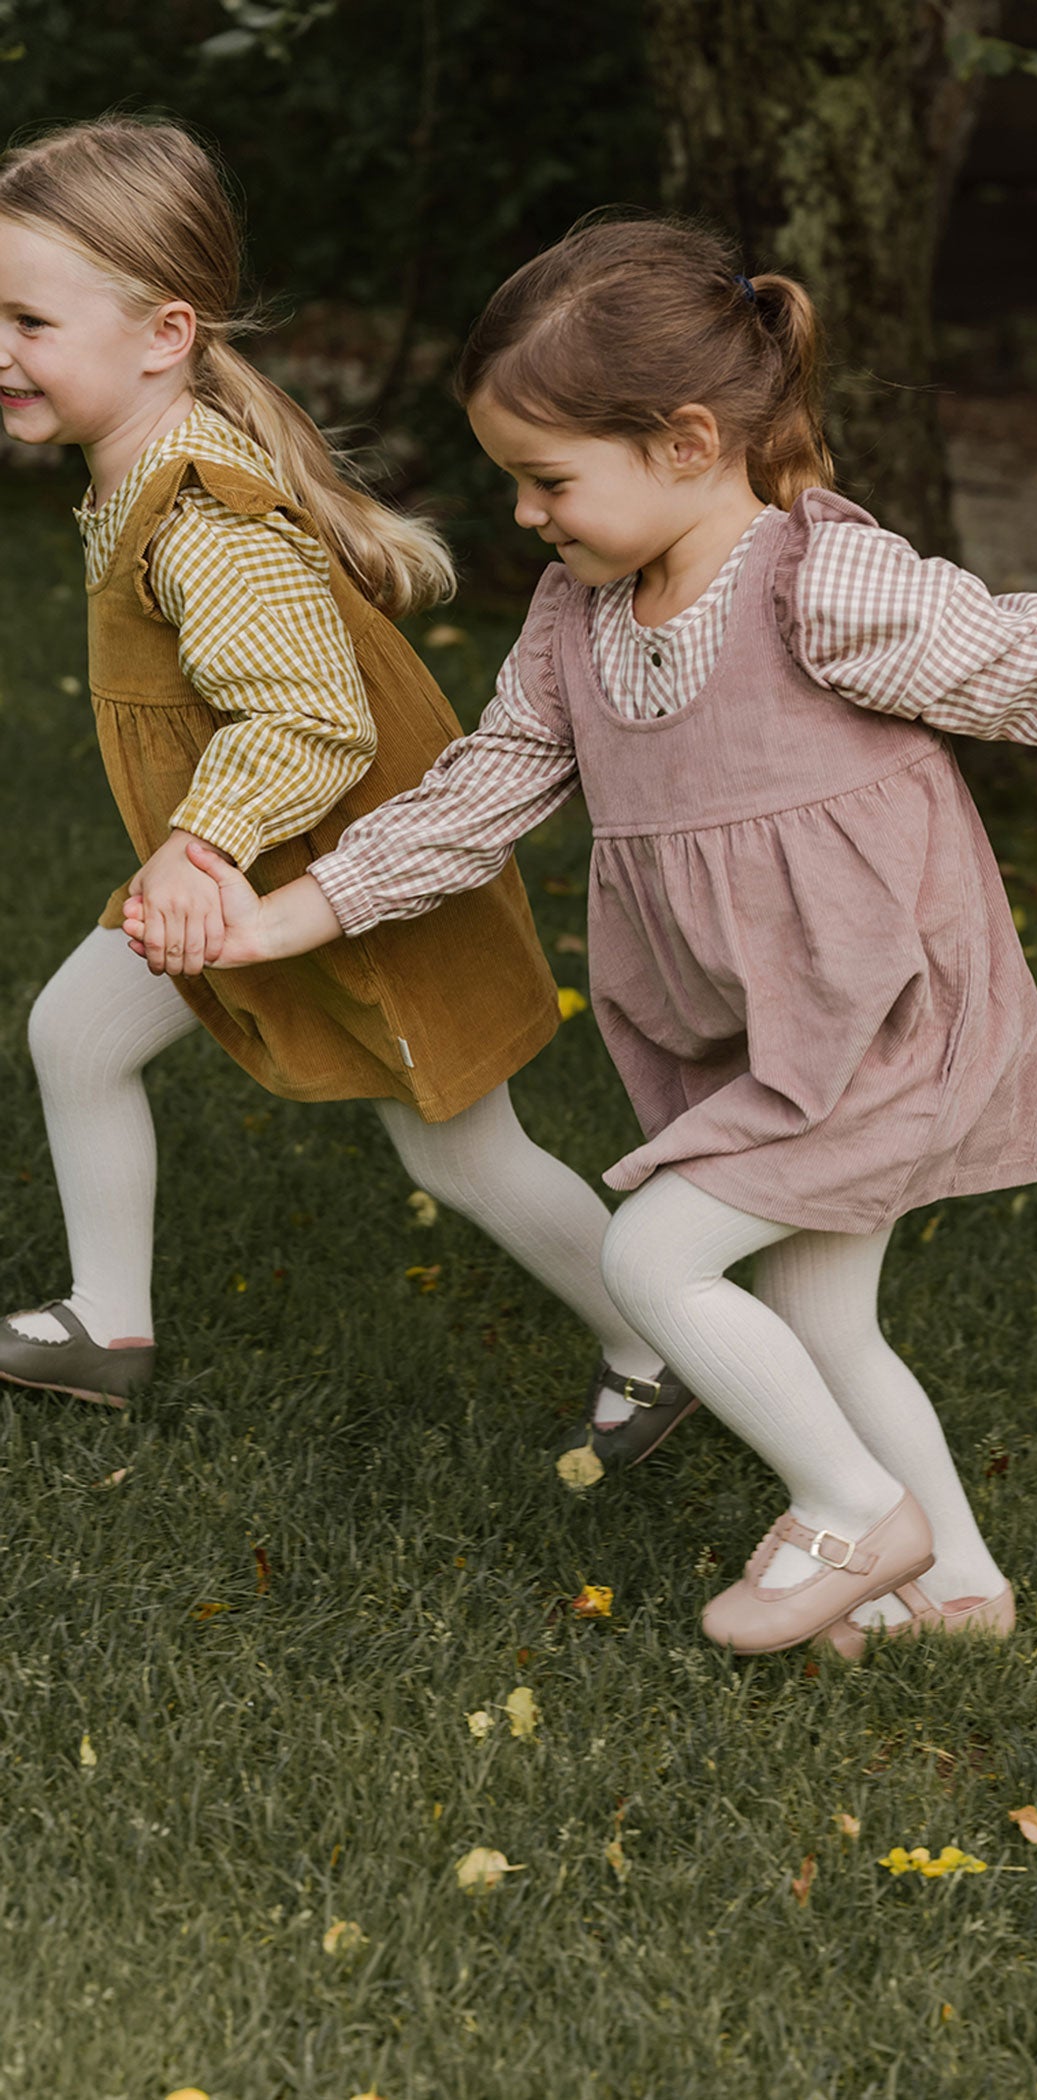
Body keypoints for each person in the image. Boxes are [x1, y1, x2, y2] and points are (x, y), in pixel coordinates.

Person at [127, 219, 1037, 1658]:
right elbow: (481, 794)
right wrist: (284, 913)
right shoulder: (580, 618)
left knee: (656, 1258)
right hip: (772, 1031)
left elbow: (1035, 654)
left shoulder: (818, 582)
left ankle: (848, 1511)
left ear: (690, 440)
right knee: (823, 1319)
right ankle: (955, 1592)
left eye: (549, 479)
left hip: (882, 1007)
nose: (526, 516)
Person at [0, 122, 682, 1447]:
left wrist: (197, 844)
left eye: (26, 319)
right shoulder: (144, 461)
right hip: (243, 866)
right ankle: (107, 1321)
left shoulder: (201, 514)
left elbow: (311, 719)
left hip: (357, 878)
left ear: (162, 333)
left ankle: (663, 1333)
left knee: (462, 1154)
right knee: (76, 1037)